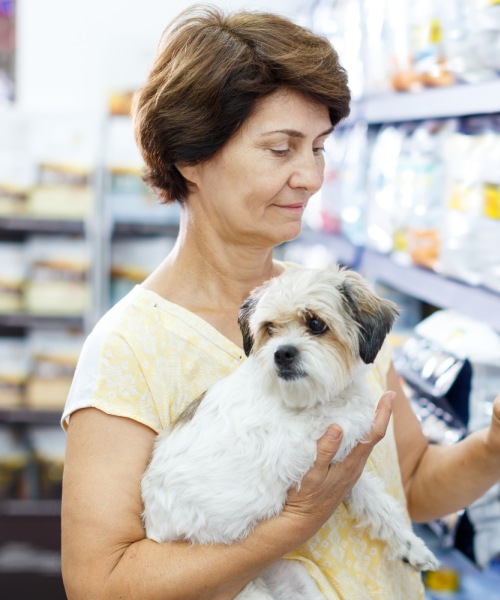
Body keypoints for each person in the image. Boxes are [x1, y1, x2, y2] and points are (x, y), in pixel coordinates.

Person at [61, 5, 500, 599]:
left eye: (317, 147)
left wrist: (492, 448)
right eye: (280, 149)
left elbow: (413, 485)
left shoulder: (341, 314)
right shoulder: (130, 348)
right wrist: (291, 524)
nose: (311, 176)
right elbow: (100, 583)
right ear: (191, 156)